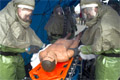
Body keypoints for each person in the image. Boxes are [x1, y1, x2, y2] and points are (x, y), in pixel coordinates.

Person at [0, 0, 43, 80]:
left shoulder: (20, 19)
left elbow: (30, 33)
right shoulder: (3, 20)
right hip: (4, 60)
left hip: (17, 56)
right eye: (26, 15)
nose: (28, 18)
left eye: (29, 15)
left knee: (22, 77)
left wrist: (42, 45)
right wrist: (26, 48)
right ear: (19, 9)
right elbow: (4, 45)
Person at [79, 0, 120, 80]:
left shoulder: (105, 25)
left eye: (88, 13)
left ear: (95, 9)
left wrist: (81, 49)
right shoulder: (108, 12)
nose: (88, 16)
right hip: (114, 60)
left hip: (109, 64)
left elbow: (97, 48)